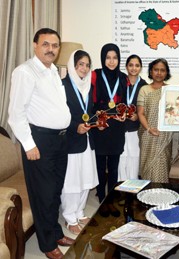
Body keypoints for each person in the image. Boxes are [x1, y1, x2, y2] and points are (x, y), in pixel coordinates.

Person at [8, 28, 73, 259]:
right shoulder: (25, 72)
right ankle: (47, 244)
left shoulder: (54, 71)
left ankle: (55, 232)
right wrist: (29, 144)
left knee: (55, 191)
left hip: (60, 140)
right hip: (40, 141)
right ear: (35, 45)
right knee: (43, 194)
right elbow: (16, 114)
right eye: (46, 44)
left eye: (55, 45)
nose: (51, 49)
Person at [60, 50, 99, 235]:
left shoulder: (87, 87)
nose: (84, 68)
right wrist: (76, 127)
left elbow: (88, 112)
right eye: (80, 64)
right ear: (72, 65)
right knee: (72, 181)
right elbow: (60, 116)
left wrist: (96, 122)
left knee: (86, 178)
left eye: (87, 64)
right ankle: (69, 217)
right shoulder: (63, 86)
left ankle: (80, 211)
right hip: (71, 141)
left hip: (87, 140)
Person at [91, 43, 127, 217]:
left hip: (117, 128)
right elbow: (90, 99)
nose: (111, 61)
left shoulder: (123, 77)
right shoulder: (95, 75)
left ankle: (111, 199)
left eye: (115, 58)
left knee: (113, 167)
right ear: (103, 58)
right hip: (100, 127)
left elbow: (125, 103)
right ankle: (101, 198)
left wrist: (124, 113)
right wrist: (95, 112)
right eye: (108, 57)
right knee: (100, 166)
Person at [137, 58, 173, 182]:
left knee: (161, 168)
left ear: (166, 73)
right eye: (156, 70)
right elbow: (140, 113)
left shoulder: (171, 90)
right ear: (151, 72)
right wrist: (149, 128)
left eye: (162, 70)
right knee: (147, 169)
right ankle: (147, 198)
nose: (159, 73)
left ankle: (161, 198)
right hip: (148, 134)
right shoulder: (144, 90)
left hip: (164, 136)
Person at [118, 54, 147, 181]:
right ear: (126, 67)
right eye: (131, 65)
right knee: (121, 157)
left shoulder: (144, 86)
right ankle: (120, 187)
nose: (133, 68)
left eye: (137, 65)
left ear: (140, 68)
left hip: (136, 128)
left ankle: (133, 185)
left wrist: (139, 116)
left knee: (134, 157)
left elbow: (147, 107)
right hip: (121, 126)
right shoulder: (120, 82)